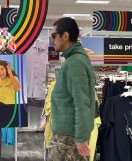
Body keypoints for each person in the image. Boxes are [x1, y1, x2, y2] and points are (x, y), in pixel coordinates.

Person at [47, 17, 95, 161]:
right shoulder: (73, 60)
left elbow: (82, 103)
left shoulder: (75, 63)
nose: (52, 40)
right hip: (67, 136)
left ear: (65, 36)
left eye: (54, 36)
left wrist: (80, 138)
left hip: (68, 139)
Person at [0, 60, 20, 146]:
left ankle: (7, 140)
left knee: (8, 124)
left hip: (9, 108)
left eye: (2, 69)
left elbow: (17, 88)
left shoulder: (12, 78)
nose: (0, 72)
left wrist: (10, 73)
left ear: (6, 69)